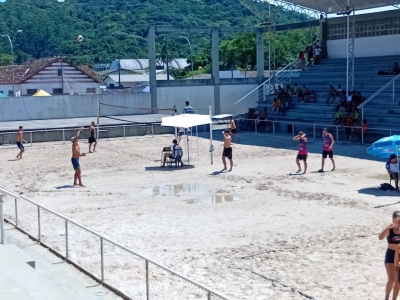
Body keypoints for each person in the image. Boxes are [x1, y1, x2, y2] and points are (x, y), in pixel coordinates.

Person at [378, 211, 400, 300]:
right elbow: (380, 238)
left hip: (399, 256)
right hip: (390, 254)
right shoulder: (389, 229)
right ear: (393, 219)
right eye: (398, 217)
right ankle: (386, 298)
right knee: (391, 279)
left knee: (398, 281)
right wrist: (387, 227)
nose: (399, 219)